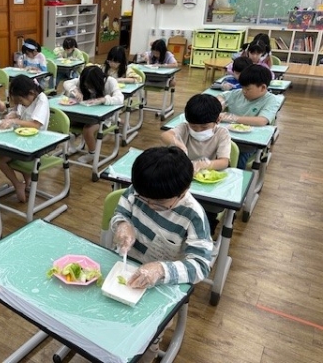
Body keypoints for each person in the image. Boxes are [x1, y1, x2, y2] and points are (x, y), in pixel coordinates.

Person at [110, 146, 212, 363]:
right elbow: (120, 213)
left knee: (145, 340)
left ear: (183, 191)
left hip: (160, 285)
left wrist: (160, 269)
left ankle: (147, 354)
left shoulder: (193, 216)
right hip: (125, 268)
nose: (149, 205)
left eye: (158, 203)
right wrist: (122, 225)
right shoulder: (137, 191)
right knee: (111, 319)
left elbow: (201, 265)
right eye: (144, 198)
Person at [161, 94, 232, 235]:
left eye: (204, 127)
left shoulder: (222, 133)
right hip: (183, 182)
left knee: (204, 218)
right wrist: (178, 144)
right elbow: (165, 135)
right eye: (194, 126)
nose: (198, 130)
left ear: (218, 120)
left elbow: (224, 161)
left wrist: (203, 164)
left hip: (207, 185)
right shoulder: (185, 128)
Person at [217, 64, 282, 169]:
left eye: (247, 89)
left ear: (263, 88)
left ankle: (237, 176)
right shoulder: (238, 94)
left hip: (250, 143)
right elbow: (221, 97)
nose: (244, 91)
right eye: (242, 87)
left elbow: (262, 121)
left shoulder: (271, 100)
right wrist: (220, 104)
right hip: (229, 136)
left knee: (239, 156)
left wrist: (232, 118)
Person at [0, 75, 49, 203]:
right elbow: (19, 112)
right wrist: (11, 115)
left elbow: (35, 125)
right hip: (22, 138)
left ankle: (18, 184)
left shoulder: (41, 100)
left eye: (21, 100)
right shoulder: (26, 98)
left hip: (36, 143)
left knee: (0, 160)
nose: (20, 103)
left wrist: (14, 121)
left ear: (31, 93)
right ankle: (25, 181)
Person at [63, 65, 124, 164]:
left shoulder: (110, 81)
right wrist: (76, 91)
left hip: (103, 117)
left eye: (89, 85)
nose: (87, 88)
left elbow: (120, 99)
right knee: (66, 122)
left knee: (88, 130)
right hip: (85, 114)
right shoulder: (84, 79)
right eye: (85, 85)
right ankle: (72, 145)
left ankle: (92, 153)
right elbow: (67, 83)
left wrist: (103, 100)